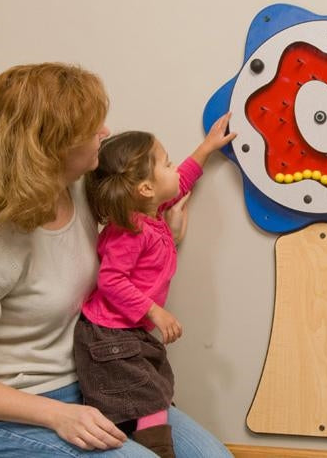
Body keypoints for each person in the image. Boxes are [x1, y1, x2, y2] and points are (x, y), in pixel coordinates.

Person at [0, 62, 234, 457]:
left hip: (93, 377)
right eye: (92, 128)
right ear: (52, 147)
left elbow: (134, 226)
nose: (104, 133)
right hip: (6, 409)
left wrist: (164, 238)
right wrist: (56, 415)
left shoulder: (78, 191)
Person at [73, 113, 234, 458]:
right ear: (145, 188)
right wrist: (154, 311)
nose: (174, 169)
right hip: (110, 337)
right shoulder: (129, 231)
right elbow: (110, 279)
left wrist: (207, 148)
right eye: (167, 163)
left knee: (153, 394)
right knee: (149, 402)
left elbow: (182, 182)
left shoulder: (151, 213)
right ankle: (158, 451)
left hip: (129, 335)